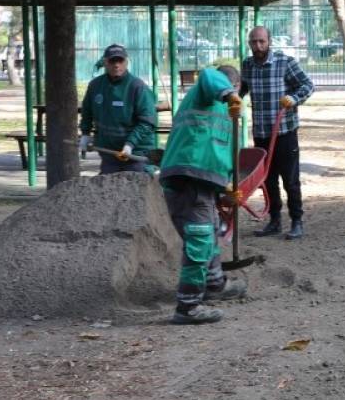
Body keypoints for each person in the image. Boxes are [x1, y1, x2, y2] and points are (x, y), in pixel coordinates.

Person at [158, 65, 249, 324]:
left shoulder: (228, 116)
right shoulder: (208, 91)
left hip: (203, 181)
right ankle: (187, 307)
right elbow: (210, 74)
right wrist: (228, 93)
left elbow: (222, 155)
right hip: (189, 176)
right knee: (200, 240)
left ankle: (214, 284)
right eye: (236, 89)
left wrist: (226, 189)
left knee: (211, 233)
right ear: (234, 85)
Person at [240, 26, 315, 240]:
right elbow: (241, 89)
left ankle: (296, 221)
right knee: (267, 179)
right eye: (253, 42)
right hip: (262, 132)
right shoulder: (247, 65)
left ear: (269, 41)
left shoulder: (285, 63)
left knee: (290, 180)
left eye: (261, 41)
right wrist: (232, 98)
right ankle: (274, 221)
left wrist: (294, 98)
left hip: (284, 132)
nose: (258, 46)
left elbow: (307, 85)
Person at [78, 44, 157, 174]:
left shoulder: (137, 87)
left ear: (126, 62)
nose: (116, 65)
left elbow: (147, 122)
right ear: (105, 62)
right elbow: (87, 112)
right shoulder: (95, 86)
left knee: (135, 183)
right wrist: (85, 134)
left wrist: (130, 144)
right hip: (109, 154)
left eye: (120, 61)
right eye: (112, 61)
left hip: (136, 155)